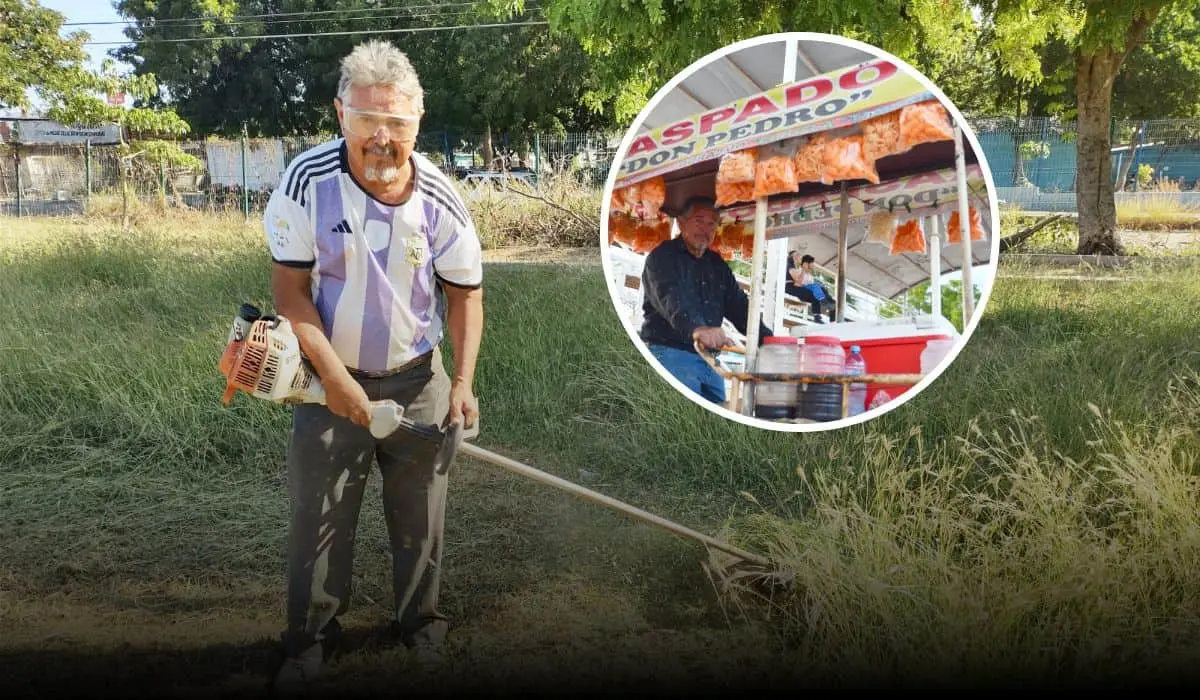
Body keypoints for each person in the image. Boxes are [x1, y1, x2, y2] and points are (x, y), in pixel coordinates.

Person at [261, 40, 484, 692]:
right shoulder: (306, 182)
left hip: (419, 380)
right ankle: (308, 641)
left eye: (398, 123)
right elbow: (290, 295)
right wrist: (336, 383)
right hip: (328, 382)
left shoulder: (442, 198)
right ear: (340, 116)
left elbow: (466, 298)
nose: (382, 138)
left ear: (417, 121)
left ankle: (420, 626)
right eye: (367, 120)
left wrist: (462, 386)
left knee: (420, 517)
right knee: (320, 516)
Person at [639, 196, 773, 405]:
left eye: (712, 223)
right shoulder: (662, 257)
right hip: (670, 353)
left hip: (709, 360)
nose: (705, 228)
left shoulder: (716, 264)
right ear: (681, 223)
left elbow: (739, 306)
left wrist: (769, 341)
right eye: (699, 220)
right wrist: (698, 328)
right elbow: (670, 297)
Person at [785, 252, 836, 323]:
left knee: (822, 290)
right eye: (797, 255)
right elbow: (798, 282)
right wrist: (803, 270)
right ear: (792, 257)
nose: (799, 257)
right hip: (791, 287)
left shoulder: (798, 268)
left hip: (799, 287)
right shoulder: (790, 267)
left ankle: (829, 304)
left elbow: (804, 282)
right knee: (815, 294)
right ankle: (820, 311)